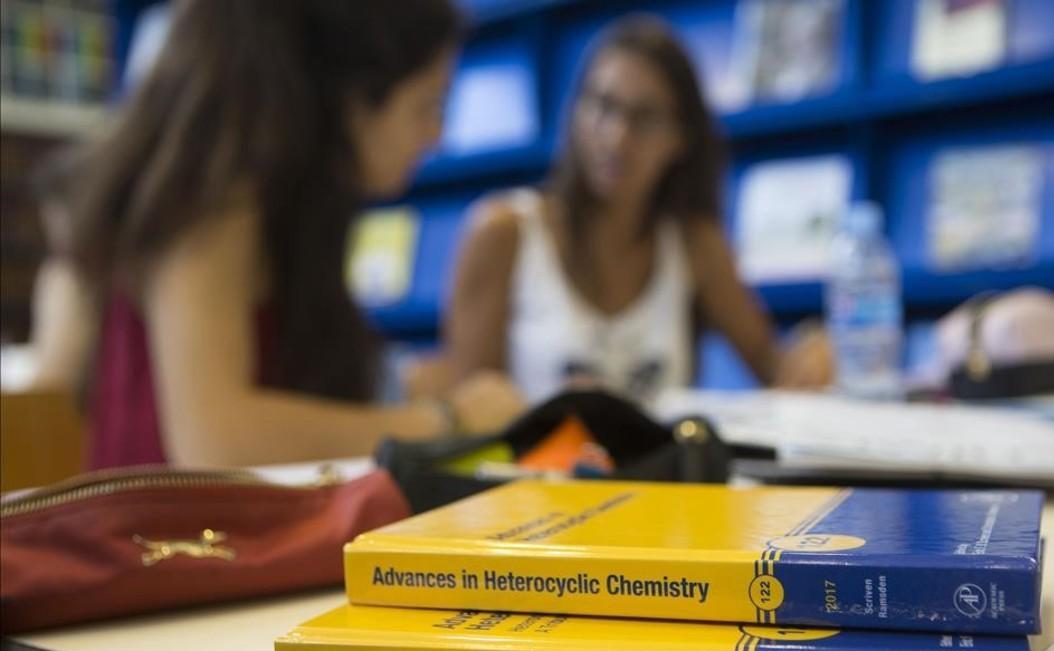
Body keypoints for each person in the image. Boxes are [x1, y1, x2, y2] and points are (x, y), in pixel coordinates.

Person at [35, 0, 524, 470]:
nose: (436, 135)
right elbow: (216, 439)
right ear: (349, 97)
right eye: (427, 104)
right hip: (173, 546)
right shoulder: (219, 194)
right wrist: (449, 422)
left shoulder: (278, 204)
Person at [444, 14, 833, 404]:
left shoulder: (694, 244)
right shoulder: (502, 231)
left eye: (644, 118)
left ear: (681, 139)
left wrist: (811, 352)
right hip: (537, 465)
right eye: (602, 105)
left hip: (658, 466)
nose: (616, 136)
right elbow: (471, 419)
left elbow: (776, 371)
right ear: (575, 111)